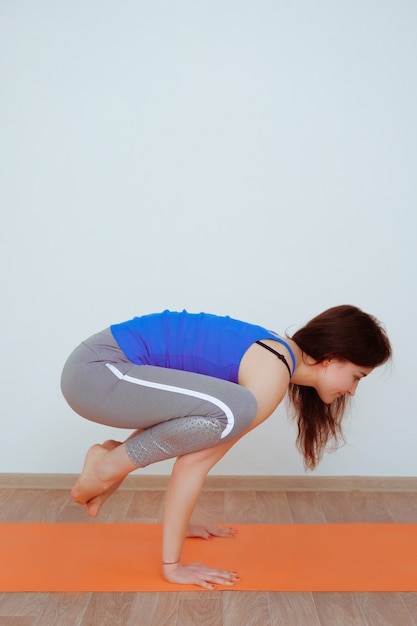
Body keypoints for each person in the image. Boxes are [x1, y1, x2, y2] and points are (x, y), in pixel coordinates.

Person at [61, 305, 391, 589]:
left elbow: (182, 432)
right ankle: (105, 466)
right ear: (332, 360)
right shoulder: (271, 374)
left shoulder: (275, 355)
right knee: (238, 408)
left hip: (103, 374)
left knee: (230, 408)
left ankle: (107, 464)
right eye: (357, 377)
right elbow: (194, 464)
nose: (352, 391)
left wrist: (182, 525)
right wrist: (172, 567)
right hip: (96, 373)